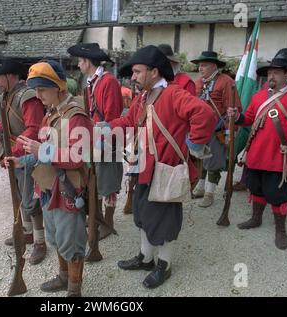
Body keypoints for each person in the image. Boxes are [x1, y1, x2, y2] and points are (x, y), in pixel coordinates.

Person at [108, 45, 215, 289]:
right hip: (144, 168)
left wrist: (194, 145)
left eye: (137, 71)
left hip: (166, 171)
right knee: (143, 216)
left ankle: (164, 265)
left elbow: (204, 114)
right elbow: (128, 121)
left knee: (165, 222)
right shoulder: (144, 96)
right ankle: (146, 259)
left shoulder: (174, 94)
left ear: (154, 72)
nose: (132, 77)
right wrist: (105, 127)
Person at [4, 60, 93, 297]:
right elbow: (42, 149)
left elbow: (77, 157)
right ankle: (64, 277)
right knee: (56, 238)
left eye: (42, 89)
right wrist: (21, 161)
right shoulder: (52, 113)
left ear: (58, 87)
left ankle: (74, 290)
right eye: (37, 89)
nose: (38, 94)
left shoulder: (76, 116)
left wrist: (40, 151)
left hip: (68, 189)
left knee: (71, 242)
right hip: (49, 186)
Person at [227, 48, 287, 250]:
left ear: (286, 75)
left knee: (278, 194)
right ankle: (256, 218)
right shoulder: (258, 97)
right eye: (269, 73)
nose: (271, 76)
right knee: (255, 188)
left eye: (276, 72)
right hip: (256, 154)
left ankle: (280, 230)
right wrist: (236, 116)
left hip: (278, 157)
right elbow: (248, 119)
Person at [0, 55, 47, 265]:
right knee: (20, 197)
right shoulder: (9, 95)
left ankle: (40, 242)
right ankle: (26, 232)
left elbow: (33, 130)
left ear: (9, 75)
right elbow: (2, 125)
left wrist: (13, 152)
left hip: (28, 156)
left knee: (31, 201)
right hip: (16, 156)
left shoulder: (27, 96)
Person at [67, 43, 123, 240]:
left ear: (87, 62)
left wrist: (101, 141)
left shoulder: (109, 82)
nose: (78, 65)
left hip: (107, 139)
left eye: (80, 61)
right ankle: (97, 219)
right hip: (95, 139)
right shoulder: (91, 82)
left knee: (108, 183)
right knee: (94, 180)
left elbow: (113, 117)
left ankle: (107, 223)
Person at [191, 50, 242, 207]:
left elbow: (233, 108)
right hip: (200, 129)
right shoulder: (198, 82)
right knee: (201, 158)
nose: (200, 69)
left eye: (204, 65)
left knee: (213, 161)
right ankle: (200, 187)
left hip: (217, 129)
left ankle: (209, 193)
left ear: (214, 66)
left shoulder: (226, 81)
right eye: (199, 66)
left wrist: (228, 132)